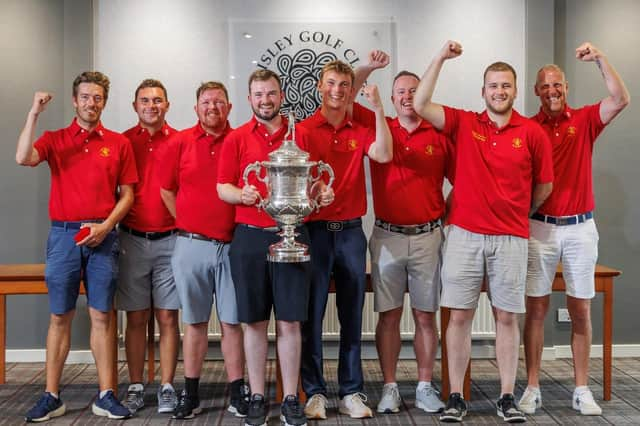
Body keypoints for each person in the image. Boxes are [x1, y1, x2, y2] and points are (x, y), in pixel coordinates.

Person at [413, 41, 554, 423]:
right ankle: (456, 395)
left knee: (507, 318)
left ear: (514, 90)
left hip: (511, 238)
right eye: (493, 86)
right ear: (483, 91)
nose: (499, 92)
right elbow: (421, 104)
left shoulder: (532, 133)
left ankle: (507, 395)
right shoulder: (465, 123)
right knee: (458, 317)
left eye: (506, 86)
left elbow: (544, 185)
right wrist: (440, 57)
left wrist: (520, 213)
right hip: (464, 235)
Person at [17, 71, 137, 421]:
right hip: (64, 237)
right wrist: (33, 113)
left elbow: (128, 194)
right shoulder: (55, 139)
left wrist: (107, 226)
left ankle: (106, 394)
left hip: (104, 237)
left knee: (102, 315)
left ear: (104, 101)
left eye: (97, 97)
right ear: (75, 100)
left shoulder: (118, 143)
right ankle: (52, 395)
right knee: (60, 316)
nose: (91, 103)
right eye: (85, 96)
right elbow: (23, 157)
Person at [519, 42, 630, 416]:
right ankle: (532, 386)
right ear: (536, 91)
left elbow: (621, 97)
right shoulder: (527, 128)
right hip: (540, 229)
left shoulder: (583, 120)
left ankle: (581, 389)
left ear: (566, 88)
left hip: (581, 228)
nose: (552, 91)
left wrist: (601, 58)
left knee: (580, 309)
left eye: (558, 86)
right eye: (546, 86)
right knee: (535, 309)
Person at [218, 69, 331, 426]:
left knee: (291, 322)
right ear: (249, 99)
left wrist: (324, 194)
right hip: (250, 237)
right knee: (253, 323)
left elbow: (319, 183)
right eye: (258, 95)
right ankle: (255, 396)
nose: (265, 100)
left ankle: (289, 399)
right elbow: (222, 187)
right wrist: (243, 194)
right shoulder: (236, 138)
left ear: (281, 96)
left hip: (296, 235)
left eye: (271, 94)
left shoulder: (305, 135)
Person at [352, 51, 452, 415]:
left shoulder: (440, 134)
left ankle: (425, 386)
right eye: (401, 93)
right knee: (389, 315)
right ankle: (391, 387)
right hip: (388, 236)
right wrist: (368, 69)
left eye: (414, 91)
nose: (408, 97)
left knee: (426, 315)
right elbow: (349, 95)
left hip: (428, 237)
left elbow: (463, 182)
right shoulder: (379, 127)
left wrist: (446, 216)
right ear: (392, 100)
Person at [299, 59, 392, 420]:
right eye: (331, 84)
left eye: (344, 86)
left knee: (353, 315)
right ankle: (315, 391)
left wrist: (379, 106)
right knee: (312, 316)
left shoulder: (363, 124)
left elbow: (383, 154)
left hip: (352, 232)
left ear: (351, 92)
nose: (337, 90)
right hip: (315, 232)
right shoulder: (305, 130)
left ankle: (351, 391)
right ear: (320, 88)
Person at [159, 81, 247, 420]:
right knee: (194, 323)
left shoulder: (239, 140)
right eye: (206, 102)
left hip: (232, 246)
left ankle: (238, 392)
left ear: (229, 107)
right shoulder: (180, 142)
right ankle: (191, 393)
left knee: (231, 323)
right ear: (196, 108)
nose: (213, 107)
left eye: (219, 102)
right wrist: (189, 221)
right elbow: (167, 190)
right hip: (191, 246)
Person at [117, 79, 180, 414]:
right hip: (132, 239)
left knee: (169, 316)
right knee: (137, 316)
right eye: (145, 100)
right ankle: (137, 385)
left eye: (158, 100)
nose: (151, 106)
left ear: (167, 105)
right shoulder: (123, 142)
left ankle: (168, 386)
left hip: (172, 239)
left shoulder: (181, 141)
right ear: (135, 106)